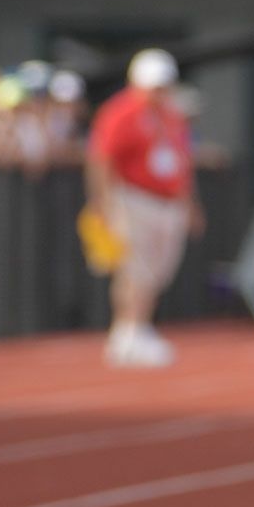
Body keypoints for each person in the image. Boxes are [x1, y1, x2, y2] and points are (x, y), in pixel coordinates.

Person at [88, 49, 201, 367]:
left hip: (168, 202)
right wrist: (102, 202)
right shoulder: (121, 113)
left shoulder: (172, 114)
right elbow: (101, 158)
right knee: (135, 268)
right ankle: (126, 331)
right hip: (134, 196)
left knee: (158, 270)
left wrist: (189, 203)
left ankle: (140, 326)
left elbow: (182, 160)